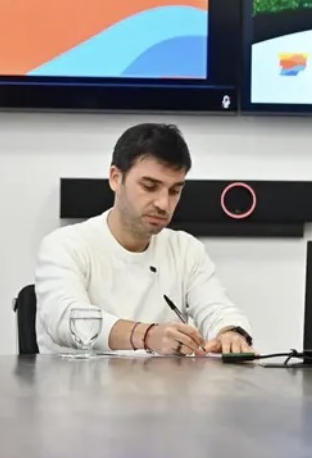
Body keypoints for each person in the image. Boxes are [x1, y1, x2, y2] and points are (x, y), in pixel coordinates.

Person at [35, 123, 254, 356]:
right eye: (149, 187)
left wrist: (230, 333)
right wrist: (147, 336)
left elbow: (218, 308)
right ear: (115, 178)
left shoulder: (186, 249)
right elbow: (66, 317)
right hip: (80, 379)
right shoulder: (65, 245)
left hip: (164, 380)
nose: (163, 204)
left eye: (174, 191)